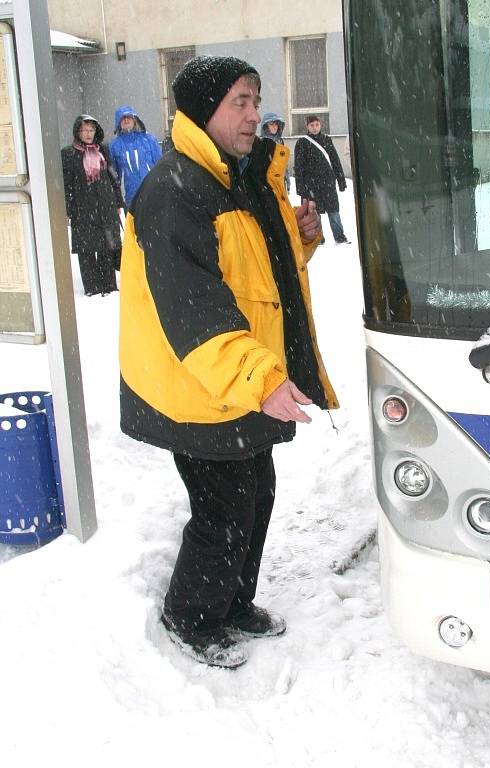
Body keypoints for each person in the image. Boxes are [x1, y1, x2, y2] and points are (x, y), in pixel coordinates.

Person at [119, 56, 338, 669]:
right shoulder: (174, 192)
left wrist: (298, 236)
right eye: (239, 101)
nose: (254, 114)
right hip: (197, 385)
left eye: (256, 99)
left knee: (256, 491)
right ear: (203, 111)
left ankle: (233, 603)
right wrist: (261, 380)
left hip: (235, 380)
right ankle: (190, 617)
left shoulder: (235, 180)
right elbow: (198, 312)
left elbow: (253, 279)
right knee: (222, 509)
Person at [61, 114, 123, 296]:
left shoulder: (102, 150)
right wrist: (68, 209)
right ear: (77, 132)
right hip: (83, 208)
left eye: (91, 130)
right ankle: (92, 287)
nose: (88, 134)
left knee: (107, 244)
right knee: (86, 249)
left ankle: (109, 284)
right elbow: (67, 185)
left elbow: (113, 178)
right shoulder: (68, 153)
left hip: (105, 204)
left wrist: (118, 201)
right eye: (84, 130)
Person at [294, 115, 350, 244]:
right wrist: (302, 189)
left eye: (317, 125)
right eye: (312, 125)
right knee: (314, 213)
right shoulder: (302, 142)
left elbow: (335, 160)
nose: (314, 128)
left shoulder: (326, 140)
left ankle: (339, 237)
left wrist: (341, 180)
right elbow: (299, 167)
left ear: (320, 125)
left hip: (328, 183)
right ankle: (318, 239)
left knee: (333, 210)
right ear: (307, 126)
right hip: (311, 184)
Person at [109, 105, 162, 208]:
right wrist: (116, 198)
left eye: (129, 117)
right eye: (123, 118)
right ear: (118, 123)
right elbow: (114, 176)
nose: (126, 120)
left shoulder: (149, 139)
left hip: (152, 193)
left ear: (135, 119)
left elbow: (160, 166)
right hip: (130, 198)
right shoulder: (114, 146)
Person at [260, 111, 290, 191]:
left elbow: (283, 162)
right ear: (266, 126)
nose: (274, 127)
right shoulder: (261, 142)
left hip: (280, 180)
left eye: (276, 124)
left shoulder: (280, 141)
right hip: (267, 180)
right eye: (271, 124)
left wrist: (286, 176)